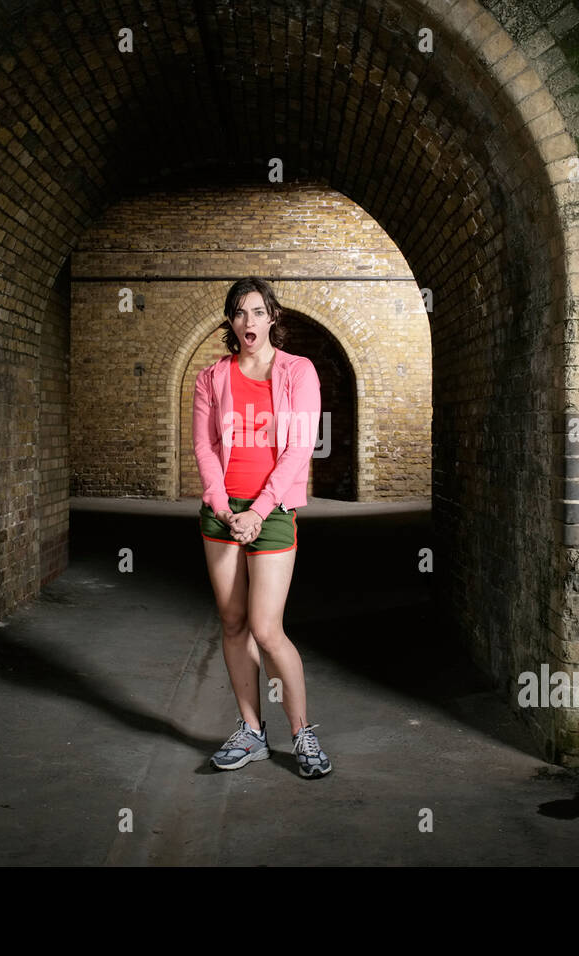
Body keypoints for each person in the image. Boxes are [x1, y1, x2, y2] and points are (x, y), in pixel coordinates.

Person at [192, 277, 331, 779]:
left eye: (257, 311)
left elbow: (299, 448)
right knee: (232, 625)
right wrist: (222, 504)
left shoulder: (299, 372)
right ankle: (252, 732)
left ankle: (303, 733)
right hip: (222, 513)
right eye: (239, 313)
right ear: (230, 321)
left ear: (273, 316)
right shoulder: (211, 377)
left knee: (267, 629)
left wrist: (259, 509)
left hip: (271, 512)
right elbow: (205, 447)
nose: (248, 322)